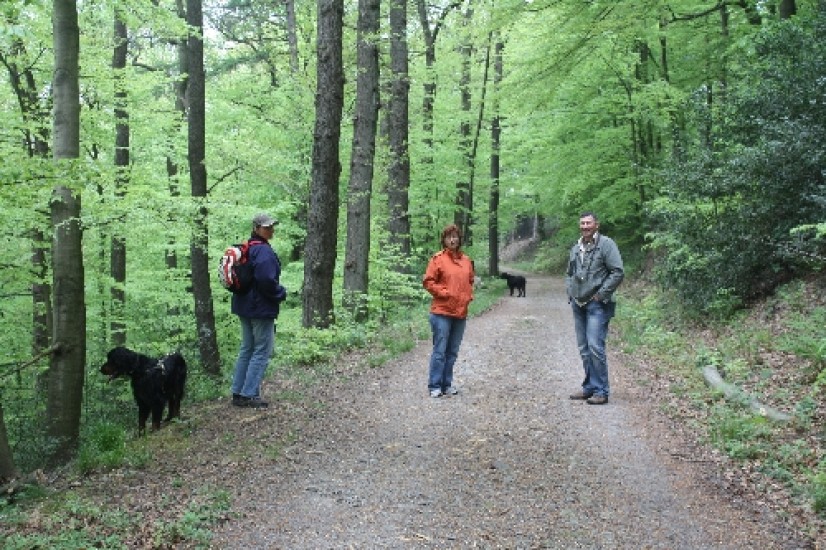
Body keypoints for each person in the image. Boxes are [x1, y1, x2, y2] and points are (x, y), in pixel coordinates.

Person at [565, 211, 624, 405]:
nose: (585, 226)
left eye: (588, 223)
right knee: (584, 349)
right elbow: (570, 273)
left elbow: (617, 272)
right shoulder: (576, 247)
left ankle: (601, 391)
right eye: (582, 223)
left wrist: (601, 295)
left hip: (597, 304)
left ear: (596, 225)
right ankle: (589, 387)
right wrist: (570, 290)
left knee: (595, 347)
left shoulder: (606, 244)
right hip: (578, 303)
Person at [231, 212, 287, 408]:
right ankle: (249, 394)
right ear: (256, 228)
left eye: (272, 226)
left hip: (243, 305)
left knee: (247, 348)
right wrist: (280, 293)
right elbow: (266, 280)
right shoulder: (263, 251)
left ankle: (238, 392)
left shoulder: (247, 248)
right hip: (260, 307)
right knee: (261, 350)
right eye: (266, 227)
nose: (271, 230)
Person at [423, 224, 475, 398]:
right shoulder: (437, 259)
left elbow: (470, 280)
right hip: (441, 312)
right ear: (444, 240)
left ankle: (447, 384)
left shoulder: (466, 261)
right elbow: (428, 282)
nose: (453, 240)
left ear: (460, 239)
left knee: (452, 352)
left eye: (455, 236)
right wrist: (445, 293)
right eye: (449, 237)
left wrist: (468, 296)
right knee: (440, 351)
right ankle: (435, 385)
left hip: (460, 313)